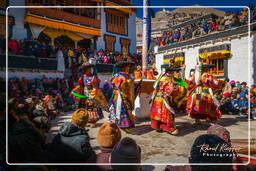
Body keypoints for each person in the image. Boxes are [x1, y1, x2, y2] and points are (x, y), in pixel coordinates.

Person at [72, 63, 109, 127]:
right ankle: (87, 120)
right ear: (85, 70)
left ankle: (93, 121)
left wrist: (94, 90)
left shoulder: (94, 77)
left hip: (93, 93)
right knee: (86, 107)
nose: (90, 70)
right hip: (85, 93)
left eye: (90, 69)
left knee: (93, 107)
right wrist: (77, 92)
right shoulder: (82, 77)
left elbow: (97, 86)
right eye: (88, 69)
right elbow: (81, 86)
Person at [150, 64, 180, 135]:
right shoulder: (168, 78)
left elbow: (155, 85)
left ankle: (158, 126)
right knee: (167, 112)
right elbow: (169, 89)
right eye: (172, 72)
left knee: (157, 112)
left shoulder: (161, 77)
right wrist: (175, 86)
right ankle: (168, 128)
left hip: (157, 97)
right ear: (170, 72)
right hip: (163, 98)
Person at [109, 62, 135, 132]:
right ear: (124, 68)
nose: (128, 68)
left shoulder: (118, 75)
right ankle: (124, 125)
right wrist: (130, 82)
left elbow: (112, 83)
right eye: (127, 67)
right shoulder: (121, 76)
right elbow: (122, 85)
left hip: (120, 94)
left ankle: (123, 123)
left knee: (124, 108)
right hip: (121, 95)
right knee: (122, 109)